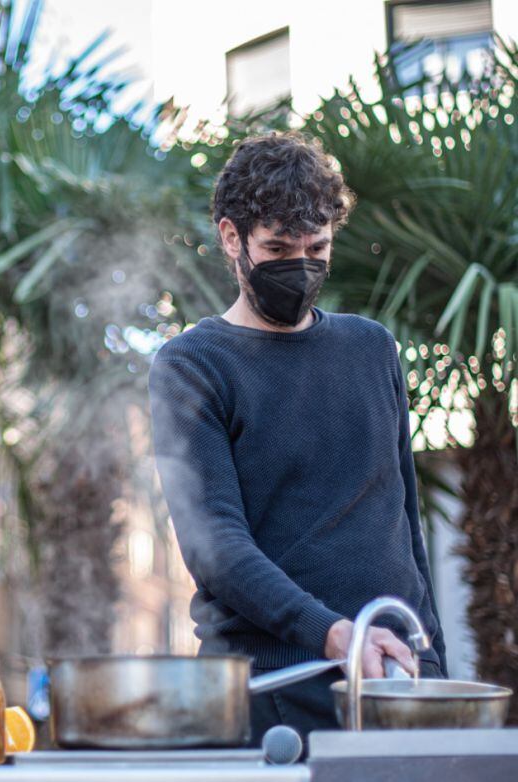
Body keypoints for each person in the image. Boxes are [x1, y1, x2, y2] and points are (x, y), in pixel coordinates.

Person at [148, 133, 446, 744]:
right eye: (278, 248)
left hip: (393, 679)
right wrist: (335, 632)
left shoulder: (371, 348)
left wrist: (431, 657)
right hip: (269, 690)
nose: (301, 266)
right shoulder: (192, 365)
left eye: (317, 248)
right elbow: (216, 549)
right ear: (232, 239)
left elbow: (404, 522)